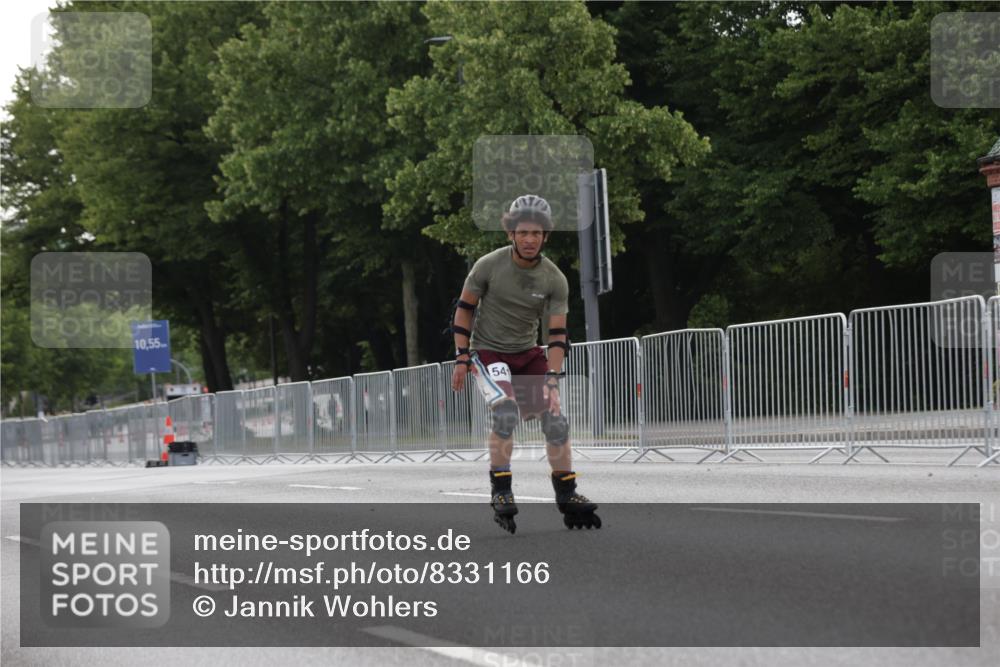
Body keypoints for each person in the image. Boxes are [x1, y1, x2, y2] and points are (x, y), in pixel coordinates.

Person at [450, 194, 601, 533]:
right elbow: (464, 310)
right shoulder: (488, 265)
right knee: (506, 413)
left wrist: (552, 375)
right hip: (489, 352)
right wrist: (462, 357)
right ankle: (501, 490)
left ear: (545, 236)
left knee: (556, 421)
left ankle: (568, 494)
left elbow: (558, 334)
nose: (530, 240)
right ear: (511, 235)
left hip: (528, 352)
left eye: (537, 234)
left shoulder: (554, 278)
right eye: (523, 233)